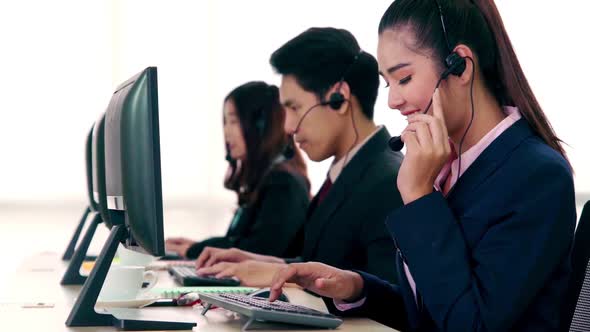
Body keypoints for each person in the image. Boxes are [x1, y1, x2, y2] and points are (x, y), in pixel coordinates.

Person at [268, 1, 576, 331]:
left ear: (460, 66)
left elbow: (471, 324)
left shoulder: (536, 176)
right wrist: (358, 288)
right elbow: (433, 308)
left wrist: (418, 196)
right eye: (388, 83)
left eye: (404, 78)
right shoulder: (445, 165)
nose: (392, 101)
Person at [193, 27, 405, 287]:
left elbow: (393, 298)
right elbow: (326, 263)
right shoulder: (346, 172)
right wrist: (262, 263)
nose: (288, 127)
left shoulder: (390, 181)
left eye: (295, 108)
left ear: (339, 98)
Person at [166, 81, 310, 259]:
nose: (226, 131)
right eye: (225, 122)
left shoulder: (282, 182)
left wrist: (195, 250)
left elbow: (259, 250)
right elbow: (240, 241)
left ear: (261, 125)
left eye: (233, 121)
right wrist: (198, 246)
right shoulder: (265, 179)